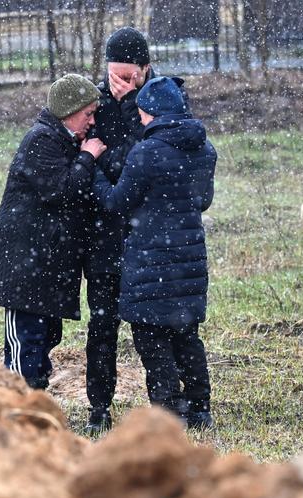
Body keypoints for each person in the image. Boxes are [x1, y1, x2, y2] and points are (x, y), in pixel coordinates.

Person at [92, 76, 217, 429]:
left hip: (151, 258)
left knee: (151, 337)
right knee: (186, 336)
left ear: (152, 113)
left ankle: (168, 409)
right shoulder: (204, 149)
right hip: (189, 259)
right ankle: (200, 409)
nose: (141, 121)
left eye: (143, 115)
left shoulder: (146, 152)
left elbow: (117, 202)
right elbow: (202, 200)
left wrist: (96, 172)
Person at [0, 74, 107, 390]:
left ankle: (34, 398)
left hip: (44, 263)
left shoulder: (62, 140)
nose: (92, 122)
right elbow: (63, 192)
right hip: (25, 264)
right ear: (68, 111)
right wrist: (87, 157)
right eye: (88, 114)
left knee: (46, 334)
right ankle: (20, 403)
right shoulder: (41, 140)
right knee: (27, 338)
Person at [82, 26, 156, 434]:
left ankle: (167, 405)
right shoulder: (95, 104)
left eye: (130, 76)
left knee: (153, 327)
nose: (121, 84)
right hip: (104, 236)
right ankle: (99, 408)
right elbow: (93, 158)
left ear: (146, 68)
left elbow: (143, 161)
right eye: (115, 76)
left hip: (147, 239)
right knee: (102, 326)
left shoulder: (162, 101)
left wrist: (130, 105)